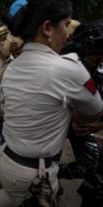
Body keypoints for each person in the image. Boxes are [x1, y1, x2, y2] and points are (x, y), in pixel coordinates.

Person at [0, 0, 103, 206]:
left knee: (12, 195)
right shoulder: (69, 68)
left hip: (5, 157)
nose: (67, 34)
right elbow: (93, 112)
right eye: (65, 25)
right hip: (33, 172)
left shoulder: (12, 67)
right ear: (48, 28)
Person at [58, 20, 103, 206]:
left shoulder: (100, 70)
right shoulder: (61, 62)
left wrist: (99, 124)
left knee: (90, 165)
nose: (99, 57)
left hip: (82, 128)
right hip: (55, 124)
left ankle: (52, 173)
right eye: (95, 51)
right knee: (38, 162)